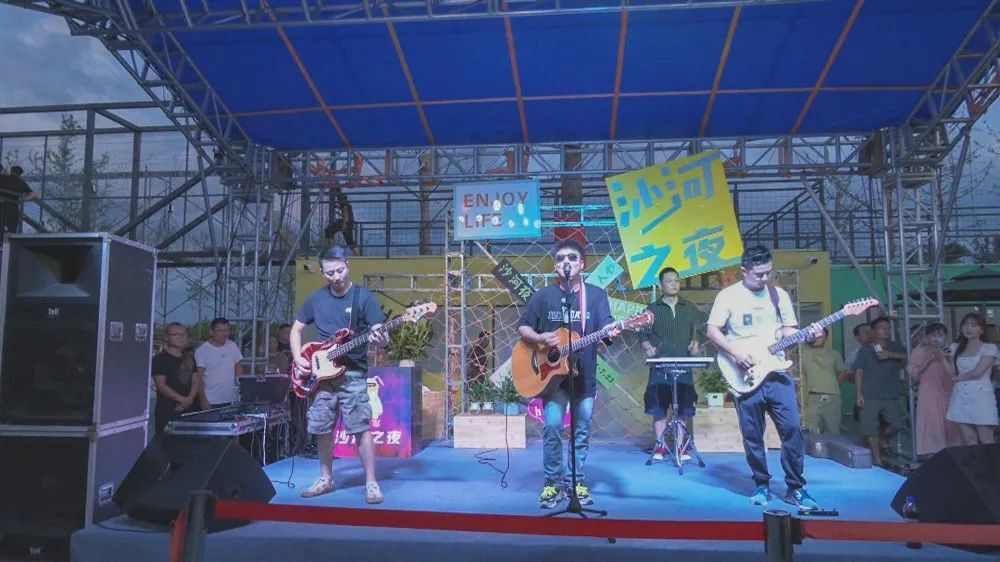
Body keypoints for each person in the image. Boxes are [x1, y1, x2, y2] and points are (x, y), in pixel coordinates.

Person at [706, 245, 821, 509]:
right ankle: (761, 484)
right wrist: (736, 354)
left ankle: (795, 487)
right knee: (753, 435)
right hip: (745, 374)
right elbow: (713, 331)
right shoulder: (728, 296)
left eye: (769, 272)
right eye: (759, 274)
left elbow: (788, 330)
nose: (765, 278)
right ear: (743, 271)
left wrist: (806, 335)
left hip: (777, 372)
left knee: (792, 429)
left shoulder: (779, 295)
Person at [517, 239, 619, 509]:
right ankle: (552, 482)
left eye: (572, 257)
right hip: (553, 381)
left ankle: (576, 481)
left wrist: (613, 331)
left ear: (582, 264)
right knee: (552, 427)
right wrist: (540, 337)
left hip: (584, 378)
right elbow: (523, 327)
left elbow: (607, 326)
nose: (567, 262)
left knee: (581, 430)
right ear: (555, 265)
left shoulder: (595, 296)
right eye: (561, 258)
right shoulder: (543, 296)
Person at [290, 245, 388, 503]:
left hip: (352, 374)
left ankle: (371, 483)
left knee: (360, 427)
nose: (337, 277)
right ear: (322, 272)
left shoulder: (363, 298)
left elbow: (381, 335)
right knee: (322, 427)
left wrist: (381, 338)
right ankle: (326, 479)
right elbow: (296, 329)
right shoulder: (316, 299)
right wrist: (298, 357)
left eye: (340, 270)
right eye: (330, 273)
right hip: (322, 378)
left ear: (348, 265)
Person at [641, 266, 703, 460]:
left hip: (683, 366)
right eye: (669, 281)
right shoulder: (652, 309)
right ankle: (660, 447)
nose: (674, 284)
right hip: (660, 367)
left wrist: (695, 344)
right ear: (661, 285)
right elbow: (643, 335)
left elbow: (697, 334)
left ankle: (681, 447)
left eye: (676, 280)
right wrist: (648, 348)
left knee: (684, 409)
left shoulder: (690, 308)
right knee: (659, 409)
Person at [853, 316, 907, 467]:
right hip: (869, 394)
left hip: (890, 394)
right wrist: (859, 394)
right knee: (870, 429)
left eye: (888, 328)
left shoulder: (896, 347)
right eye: (882, 328)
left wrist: (891, 354)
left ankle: (883, 440)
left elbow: (908, 359)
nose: (886, 331)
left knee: (896, 424)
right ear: (873, 331)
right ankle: (877, 459)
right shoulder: (865, 350)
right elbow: (858, 372)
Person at [907, 322, 961, 457]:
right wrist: (929, 359)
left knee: (950, 422)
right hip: (929, 390)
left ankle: (952, 453)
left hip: (948, 390)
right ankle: (933, 454)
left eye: (941, 335)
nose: (937, 338)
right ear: (927, 337)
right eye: (933, 335)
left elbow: (953, 372)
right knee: (932, 420)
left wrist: (946, 357)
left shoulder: (950, 350)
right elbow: (914, 372)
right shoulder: (919, 351)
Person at [946, 312, 999, 445]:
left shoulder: (989, 347)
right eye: (965, 325)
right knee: (969, 439)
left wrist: (959, 378)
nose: (968, 328)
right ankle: (974, 460)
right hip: (960, 396)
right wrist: (942, 358)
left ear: (981, 330)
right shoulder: (955, 347)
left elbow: (978, 372)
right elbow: (951, 372)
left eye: (973, 325)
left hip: (981, 396)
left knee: (986, 439)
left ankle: (991, 460)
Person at [151, 323, 206, 433]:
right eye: (176, 335)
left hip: (191, 411)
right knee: (166, 441)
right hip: (168, 412)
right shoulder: (159, 359)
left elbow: (196, 380)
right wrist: (182, 400)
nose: (180, 337)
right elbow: (161, 386)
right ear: (166, 337)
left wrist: (189, 399)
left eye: (183, 334)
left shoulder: (189, 357)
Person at [800, 327, 848, 435]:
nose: (818, 337)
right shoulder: (804, 352)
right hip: (813, 397)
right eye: (815, 334)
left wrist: (833, 385)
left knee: (833, 431)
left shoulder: (834, 354)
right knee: (812, 431)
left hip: (833, 398)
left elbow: (843, 372)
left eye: (821, 335)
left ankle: (833, 447)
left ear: (826, 337)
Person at [195, 318, 244, 408]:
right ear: (211, 332)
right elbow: (198, 378)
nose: (224, 334)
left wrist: (241, 391)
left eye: (227, 330)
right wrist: (203, 399)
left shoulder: (232, 346)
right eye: (221, 331)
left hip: (232, 399)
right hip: (211, 400)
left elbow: (239, 368)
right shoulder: (202, 351)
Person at [0, 165, 36, 243]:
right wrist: (21, 201)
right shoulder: (21, 183)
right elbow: (33, 196)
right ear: (20, 174)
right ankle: (7, 246)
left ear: (11, 171)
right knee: (11, 230)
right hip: (13, 208)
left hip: (1, 206)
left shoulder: (2, 178)